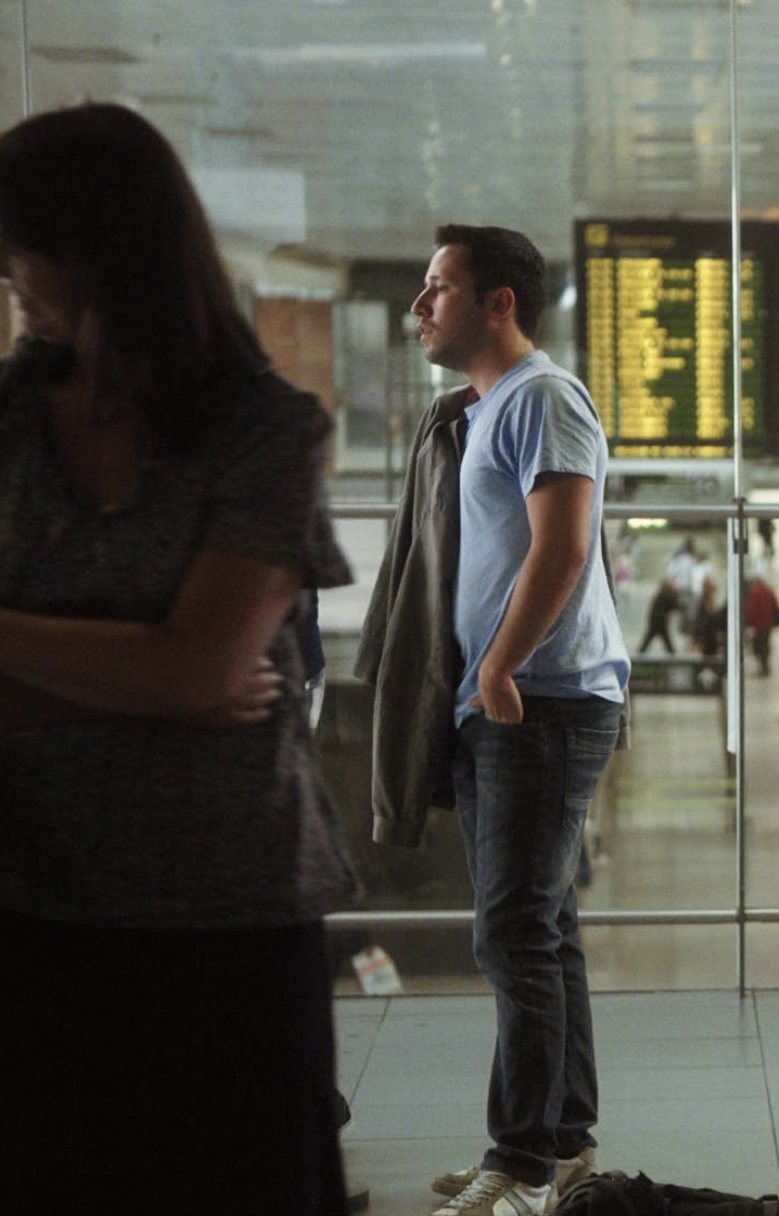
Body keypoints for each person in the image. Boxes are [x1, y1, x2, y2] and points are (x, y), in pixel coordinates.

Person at [0, 101, 357, 1213]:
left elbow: (204, 671)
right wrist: (149, 671)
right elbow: (190, 674)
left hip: (228, 924)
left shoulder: (264, 427)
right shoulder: (8, 422)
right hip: (32, 901)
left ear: (94, 248)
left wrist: (151, 673)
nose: (5, 272)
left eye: (18, 244)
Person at [405, 224, 631, 1216]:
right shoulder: (490, 406)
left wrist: (498, 667)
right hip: (507, 699)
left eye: (439, 287)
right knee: (545, 928)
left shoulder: (541, 397)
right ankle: (566, 1142)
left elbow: (563, 545)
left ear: (499, 303)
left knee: (509, 932)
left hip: (540, 701)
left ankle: (521, 1159)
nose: (421, 307)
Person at [638, 576, 682, 654]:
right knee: (665, 642)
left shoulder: (662, 595)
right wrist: (676, 593)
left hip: (658, 622)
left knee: (649, 641)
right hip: (659, 623)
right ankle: (639, 656)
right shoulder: (664, 596)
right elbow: (674, 605)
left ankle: (639, 655)